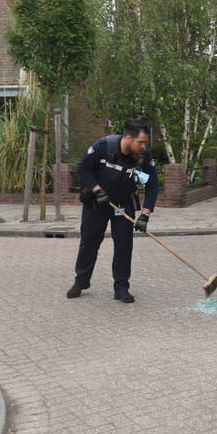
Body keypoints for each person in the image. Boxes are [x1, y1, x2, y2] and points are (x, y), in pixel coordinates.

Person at [67, 120, 158, 303]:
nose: (143, 146)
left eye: (145, 143)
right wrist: (96, 189)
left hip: (123, 205)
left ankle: (121, 287)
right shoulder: (103, 147)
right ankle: (81, 280)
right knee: (89, 242)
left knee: (124, 245)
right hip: (97, 203)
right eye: (140, 142)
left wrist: (145, 214)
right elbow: (83, 169)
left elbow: (151, 185)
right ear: (128, 138)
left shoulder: (142, 158)